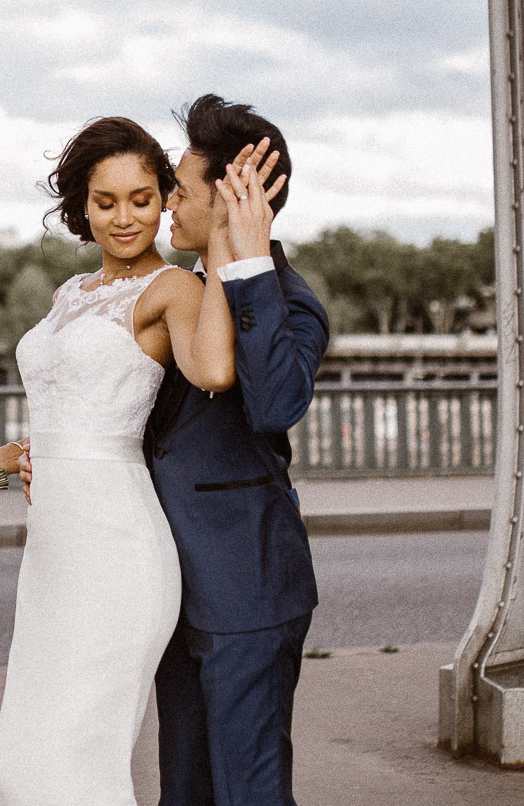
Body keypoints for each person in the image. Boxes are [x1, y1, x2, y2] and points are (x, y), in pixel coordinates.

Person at [0, 115, 237, 806]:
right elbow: (63, 421)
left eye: (141, 199)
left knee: (77, 749)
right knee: (30, 741)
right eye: (106, 202)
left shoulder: (174, 289)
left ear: (163, 198)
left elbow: (215, 371)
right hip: (53, 554)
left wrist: (226, 244)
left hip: (118, 553)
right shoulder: (69, 294)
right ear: (82, 205)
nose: (124, 218)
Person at [148, 94, 328, 806]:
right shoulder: (180, 295)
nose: (168, 202)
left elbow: (277, 404)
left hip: (248, 594)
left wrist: (247, 262)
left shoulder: (289, 300)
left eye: (180, 190)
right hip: (174, 594)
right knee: (184, 792)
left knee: (249, 793)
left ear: (231, 198)